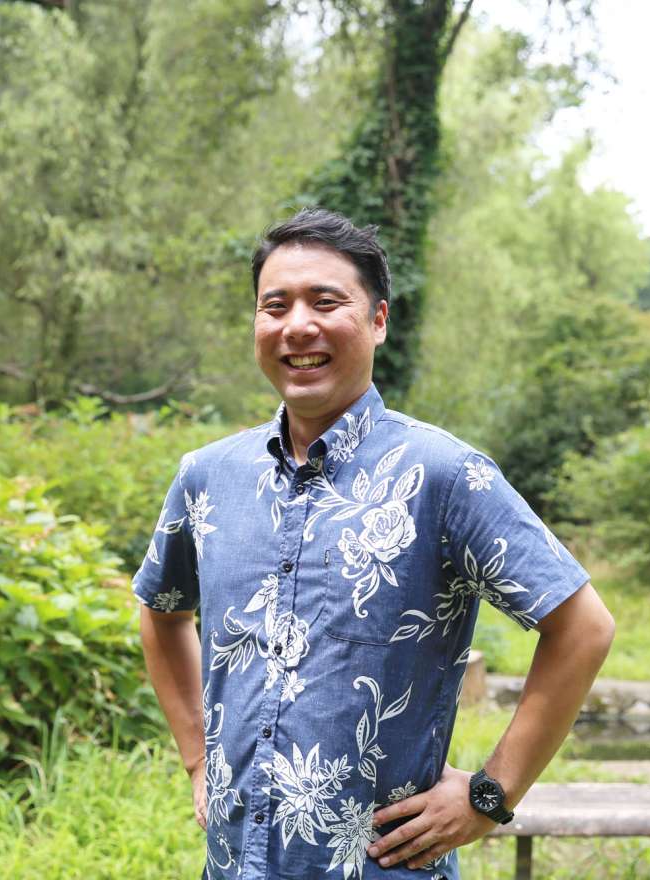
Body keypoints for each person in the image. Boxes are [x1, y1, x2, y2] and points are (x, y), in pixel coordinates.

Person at [134, 208, 615, 879]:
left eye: (325, 302)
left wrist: (490, 795)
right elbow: (162, 613)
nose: (297, 325)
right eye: (276, 305)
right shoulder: (207, 477)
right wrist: (197, 760)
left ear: (378, 320)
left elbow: (582, 627)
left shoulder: (445, 476)